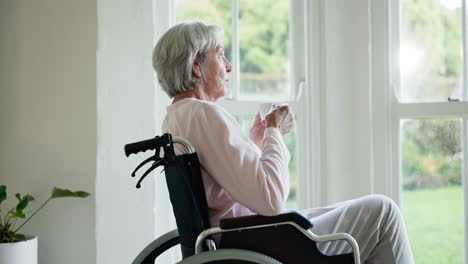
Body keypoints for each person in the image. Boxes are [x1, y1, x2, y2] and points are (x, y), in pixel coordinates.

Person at [154, 21, 414, 264]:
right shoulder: (204, 113)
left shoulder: (176, 118)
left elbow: (232, 183)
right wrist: (274, 130)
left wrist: (258, 137)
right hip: (256, 241)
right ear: (196, 67)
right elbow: (270, 199)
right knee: (383, 212)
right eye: (220, 55)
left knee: (357, 212)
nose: (229, 66)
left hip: (238, 236)